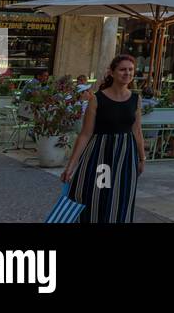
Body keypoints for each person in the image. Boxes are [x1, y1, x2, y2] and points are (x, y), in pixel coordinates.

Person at [60, 54, 144, 223]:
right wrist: (71, 165)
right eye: (122, 69)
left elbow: (137, 131)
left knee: (121, 199)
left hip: (125, 158)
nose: (127, 73)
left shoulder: (135, 99)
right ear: (112, 73)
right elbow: (85, 133)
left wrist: (142, 157)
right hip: (102, 157)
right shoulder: (98, 99)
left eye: (130, 69)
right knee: (99, 196)